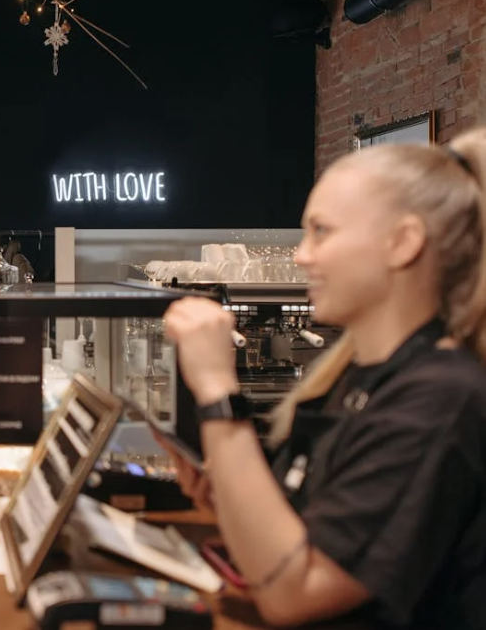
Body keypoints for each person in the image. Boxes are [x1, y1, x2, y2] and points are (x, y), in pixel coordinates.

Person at [161, 128, 486, 629]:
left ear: (403, 242)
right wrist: (227, 487)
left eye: (322, 232)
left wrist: (216, 393)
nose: (301, 255)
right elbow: (296, 537)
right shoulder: (356, 377)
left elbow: (294, 593)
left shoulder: (440, 399)